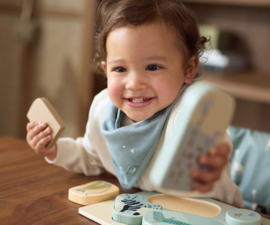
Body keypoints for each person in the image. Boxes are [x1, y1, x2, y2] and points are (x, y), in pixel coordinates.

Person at [26, 0, 243, 206]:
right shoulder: (103, 109)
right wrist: (54, 150)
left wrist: (206, 167)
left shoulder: (189, 114)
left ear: (188, 69)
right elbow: (91, 157)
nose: (135, 83)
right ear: (105, 70)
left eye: (153, 67)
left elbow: (215, 185)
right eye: (120, 69)